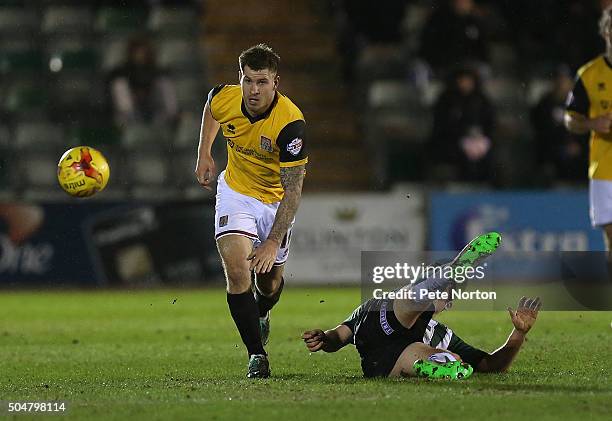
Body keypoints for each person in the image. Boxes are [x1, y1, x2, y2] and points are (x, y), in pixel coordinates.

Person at [195, 44, 308, 378]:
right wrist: (204, 152)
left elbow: (293, 191)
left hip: (275, 202)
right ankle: (256, 354)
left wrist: (272, 241)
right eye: (248, 81)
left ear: (275, 83)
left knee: (270, 283)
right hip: (237, 194)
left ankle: (263, 310)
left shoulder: (290, 124)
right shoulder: (225, 97)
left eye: (262, 82)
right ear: (239, 79)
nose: (253, 90)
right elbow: (212, 108)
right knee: (237, 271)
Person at [303, 233, 542, 379]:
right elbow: (340, 336)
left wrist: (519, 333)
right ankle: (450, 271)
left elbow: (490, 365)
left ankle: (431, 369)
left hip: (386, 364)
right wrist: (325, 338)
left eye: (446, 295)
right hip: (382, 324)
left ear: (449, 304)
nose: (444, 300)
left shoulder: (441, 334)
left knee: (454, 360)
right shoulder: (376, 305)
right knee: (411, 301)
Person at [565, 6, 612, 275]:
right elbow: (570, 119)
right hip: (605, 169)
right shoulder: (589, 74)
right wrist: (593, 123)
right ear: (607, 31)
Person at [429, 66, 495, 182]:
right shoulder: (446, 99)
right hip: (452, 140)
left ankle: (486, 186)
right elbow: (442, 124)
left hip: (479, 140)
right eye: (462, 81)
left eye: (468, 81)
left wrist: (482, 138)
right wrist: (462, 136)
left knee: (488, 156)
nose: (465, 84)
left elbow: (489, 122)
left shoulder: (481, 99)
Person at [531, 66, 587, 184]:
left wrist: (578, 145)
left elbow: (587, 128)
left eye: (565, 80)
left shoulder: (579, 103)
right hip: (553, 152)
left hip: (578, 153)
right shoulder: (544, 105)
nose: (561, 84)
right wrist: (561, 145)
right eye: (558, 80)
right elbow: (541, 132)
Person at [108, 36, 178, 127]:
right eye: (138, 52)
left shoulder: (157, 72)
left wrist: (146, 93)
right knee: (119, 84)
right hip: (130, 113)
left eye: (144, 52)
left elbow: (156, 89)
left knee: (164, 82)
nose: (141, 55)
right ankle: (128, 126)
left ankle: (168, 121)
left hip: (153, 109)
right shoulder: (121, 72)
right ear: (131, 53)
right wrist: (136, 94)